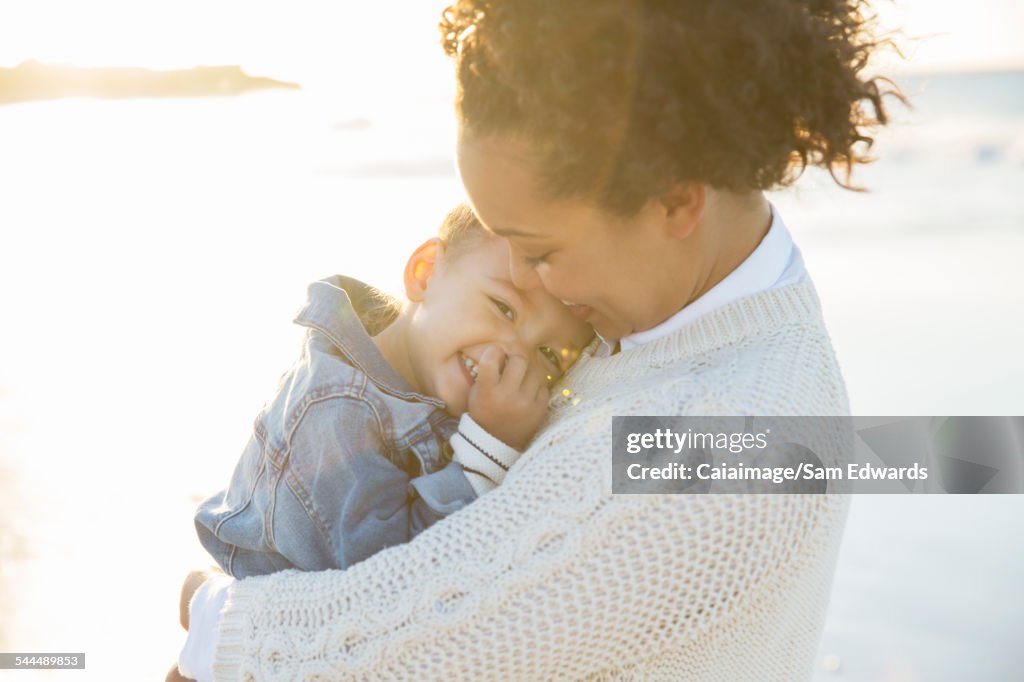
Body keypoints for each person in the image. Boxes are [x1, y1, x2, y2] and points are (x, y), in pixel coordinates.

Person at [173, 1, 901, 680]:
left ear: (677, 201)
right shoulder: (695, 307)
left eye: (541, 250)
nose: (528, 282)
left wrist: (214, 618)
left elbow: (403, 645)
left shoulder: (722, 441)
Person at [193, 204, 593, 579]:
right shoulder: (337, 410)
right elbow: (391, 584)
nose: (515, 356)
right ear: (425, 271)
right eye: (503, 307)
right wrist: (489, 445)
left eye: (548, 354)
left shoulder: (421, 382)